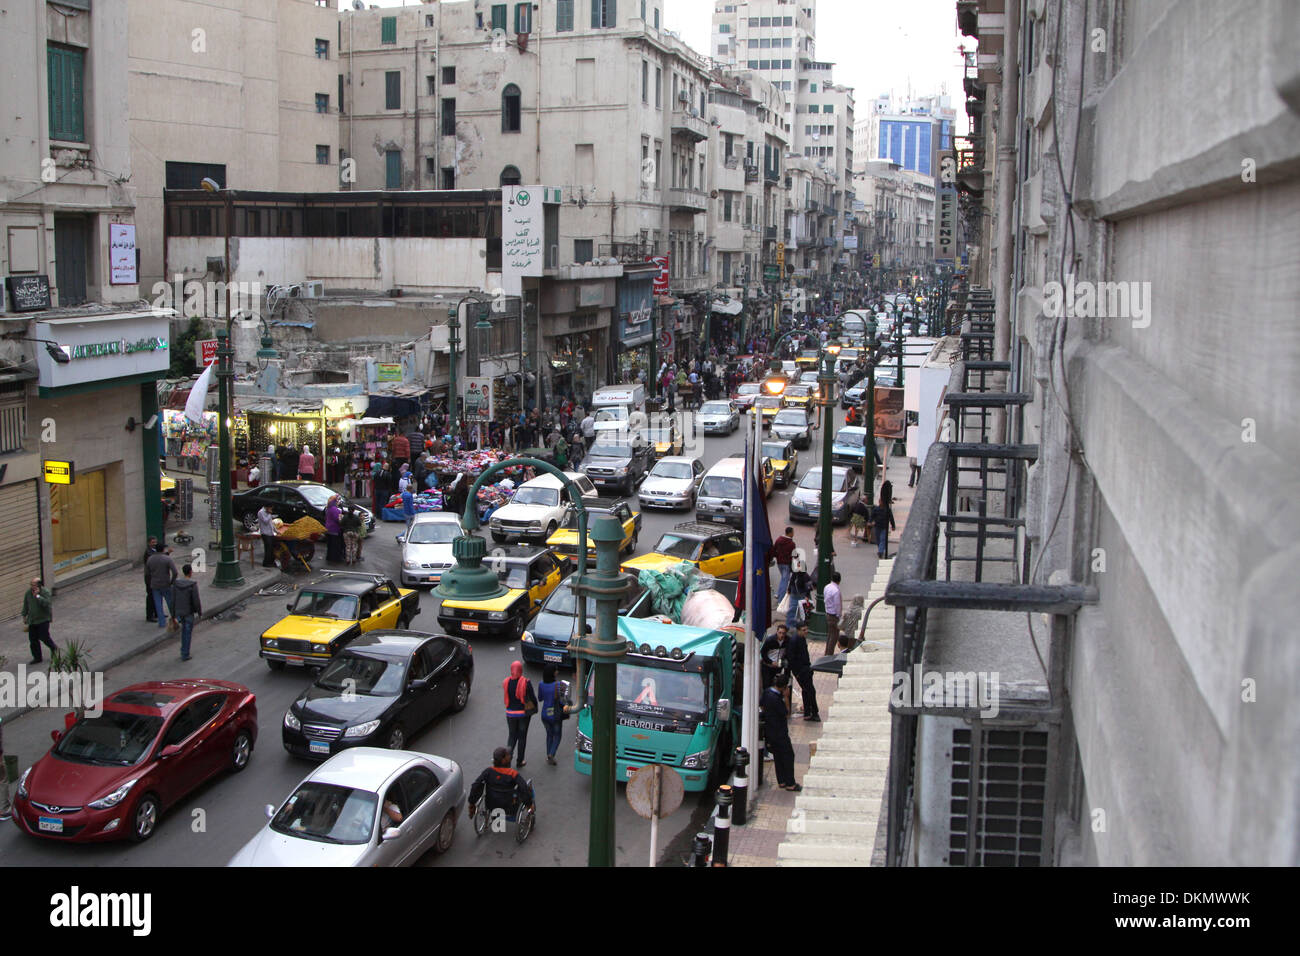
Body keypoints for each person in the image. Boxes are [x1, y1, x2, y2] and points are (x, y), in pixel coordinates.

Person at [468, 747, 535, 822]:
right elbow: (523, 788)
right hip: (509, 807)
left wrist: (472, 803)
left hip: (491, 805)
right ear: (503, 760)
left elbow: (475, 786)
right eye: (507, 755)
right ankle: (530, 812)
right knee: (528, 788)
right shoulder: (512, 773)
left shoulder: (488, 771)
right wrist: (529, 804)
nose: (510, 756)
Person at [761, 674, 800, 791]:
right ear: (784, 688)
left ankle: (781, 781)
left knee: (778, 756)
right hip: (780, 732)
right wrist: (787, 698)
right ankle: (790, 783)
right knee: (788, 756)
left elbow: (762, 705)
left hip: (770, 731)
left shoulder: (767, 692)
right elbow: (786, 713)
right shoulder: (777, 699)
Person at [503, 660, 537, 768]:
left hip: (510, 714)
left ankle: (506, 761)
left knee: (512, 736)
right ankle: (520, 761)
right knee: (522, 737)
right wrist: (535, 707)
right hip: (523, 715)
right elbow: (533, 698)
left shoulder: (506, 682)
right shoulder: (526, 682)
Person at [537, 665, 569, 765]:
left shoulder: (541, 684)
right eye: (556, 670)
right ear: (553, 673)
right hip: (555, 715)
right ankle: (551, 753)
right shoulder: (558, 685)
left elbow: (540, 698)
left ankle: (548, 755)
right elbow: (563, 701)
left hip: (545, 714)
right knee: (557, 735)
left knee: (549, 735)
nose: (557, 672)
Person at [787, 622, 820, 721]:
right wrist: (797, 673)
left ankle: (808, 712)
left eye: (806, 629)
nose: (806, 632)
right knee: (810, 691)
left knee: (807, 691)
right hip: (801, 671)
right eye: (803, 630)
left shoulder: (801, 639)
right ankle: (814, 712)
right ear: (798, 630)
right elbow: (791, 658)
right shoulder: (794, 641)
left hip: (805, 669)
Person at [21, 577, 57, 664]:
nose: (32, 586)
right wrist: (24, 615)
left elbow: (46, 604)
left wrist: (38, 596)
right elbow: (26, 604)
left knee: (44, 637)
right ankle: (37, 657)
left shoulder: (45, 592)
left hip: (43, 619)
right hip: (33, 620)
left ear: (39, 585)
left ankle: (54, 648)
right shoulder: (28, 593)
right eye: (31, 584)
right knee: (33, 639)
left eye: (34, 585)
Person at [172, 563, 202, 662]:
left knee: (184, 631)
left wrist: (173, 614)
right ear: (190, 572)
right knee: (187, 632)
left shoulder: (176, 584)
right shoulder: (192, 584)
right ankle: (185, 653)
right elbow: (196, 600)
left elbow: (173, 599)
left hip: (179, 611)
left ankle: (183, 650)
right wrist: (199, 612)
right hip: (188, 612)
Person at [146, 545, 179, 629]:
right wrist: (172, 581)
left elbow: (147, 573)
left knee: (158, 604)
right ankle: (176, 618)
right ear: (163, 550)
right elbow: (175, 572)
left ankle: (161, 622)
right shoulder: (167, 559)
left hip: (155, 584)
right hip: (165, 583)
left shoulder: (150, 559)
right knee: (170, 602)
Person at [785, 550, 813, 629]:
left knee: (802, 612)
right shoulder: (795, 574)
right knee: (792, 610)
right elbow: (791, 581)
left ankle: (802, 626)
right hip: (795, 595)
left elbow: (808, 587)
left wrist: (807, 596)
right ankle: (790, 626)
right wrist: (789, 589)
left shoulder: (805, 576)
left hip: (802, 595)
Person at [760, 624, 790, 691]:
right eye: (780, 633)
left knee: (776, 684)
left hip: (778, 666)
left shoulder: (787, 641)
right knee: (767, 685)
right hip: (767, 666)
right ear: (777, 632)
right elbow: (763, 653)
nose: (781, 635)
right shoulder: (770, 640)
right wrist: (771, 662)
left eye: (783, 633)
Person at [772, 527, 796, 601]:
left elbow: (774, 549)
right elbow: (794, 554)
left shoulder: (779, 540)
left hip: (779, 563)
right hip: (786, 564)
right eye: (793, 532)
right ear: (790, 533)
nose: (793, 534)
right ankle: (781, 599)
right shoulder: (791, 543)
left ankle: (778, 593)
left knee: (784, 579)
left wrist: (777, 556)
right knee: (785, 581)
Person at [871, 490, 896, 559]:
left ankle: (880, 551)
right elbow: (872, 516)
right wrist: (870, 521)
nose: (880, 502)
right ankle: (880, 549)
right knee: (878, 540)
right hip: (877, 527)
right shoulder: (876, 509)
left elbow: (891, 518)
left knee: (882, 539)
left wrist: (893, 526)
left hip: (884, 527)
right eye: (880, 501)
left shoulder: (887, 510)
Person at [823, 571, 843, 657]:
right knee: (834, 637)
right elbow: (837, 605)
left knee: (830, 634)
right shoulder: (836, 591)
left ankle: (827, 652)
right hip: (834, 615)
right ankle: (829, 654)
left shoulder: (827, 587)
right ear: (839, 580)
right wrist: (839, 615)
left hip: (828, 613)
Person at [142, 536, 159, 622]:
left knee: (156, 595)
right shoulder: (148, 553)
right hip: (150, 577)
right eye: (153, 542)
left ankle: (157, 612)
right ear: (149, 543)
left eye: (155, 542)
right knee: (151, 596)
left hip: (154, 577)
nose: (154, 544)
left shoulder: (154, 551)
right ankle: (149, 615)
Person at [257, 503, 279, 568]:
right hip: (265, 533)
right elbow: (266, 521)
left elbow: (271, 523)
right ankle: (266, 563)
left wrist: (275, 530)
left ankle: (271, 561)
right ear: (267, 507)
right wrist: (269, 514)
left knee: (272, 548)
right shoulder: (261, 512)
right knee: (268, 548)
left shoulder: (267, 513)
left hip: (270, 532)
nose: (271, 509)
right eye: (270, 508)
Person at [324, 494, 343, 563]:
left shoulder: (328, 508)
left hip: (328, 528)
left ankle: (329, 557)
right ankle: (335, 558)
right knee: (335, 545)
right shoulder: (336, 510)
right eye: (338, 500)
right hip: (334, 529)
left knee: (330, 545)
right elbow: (338, 520)